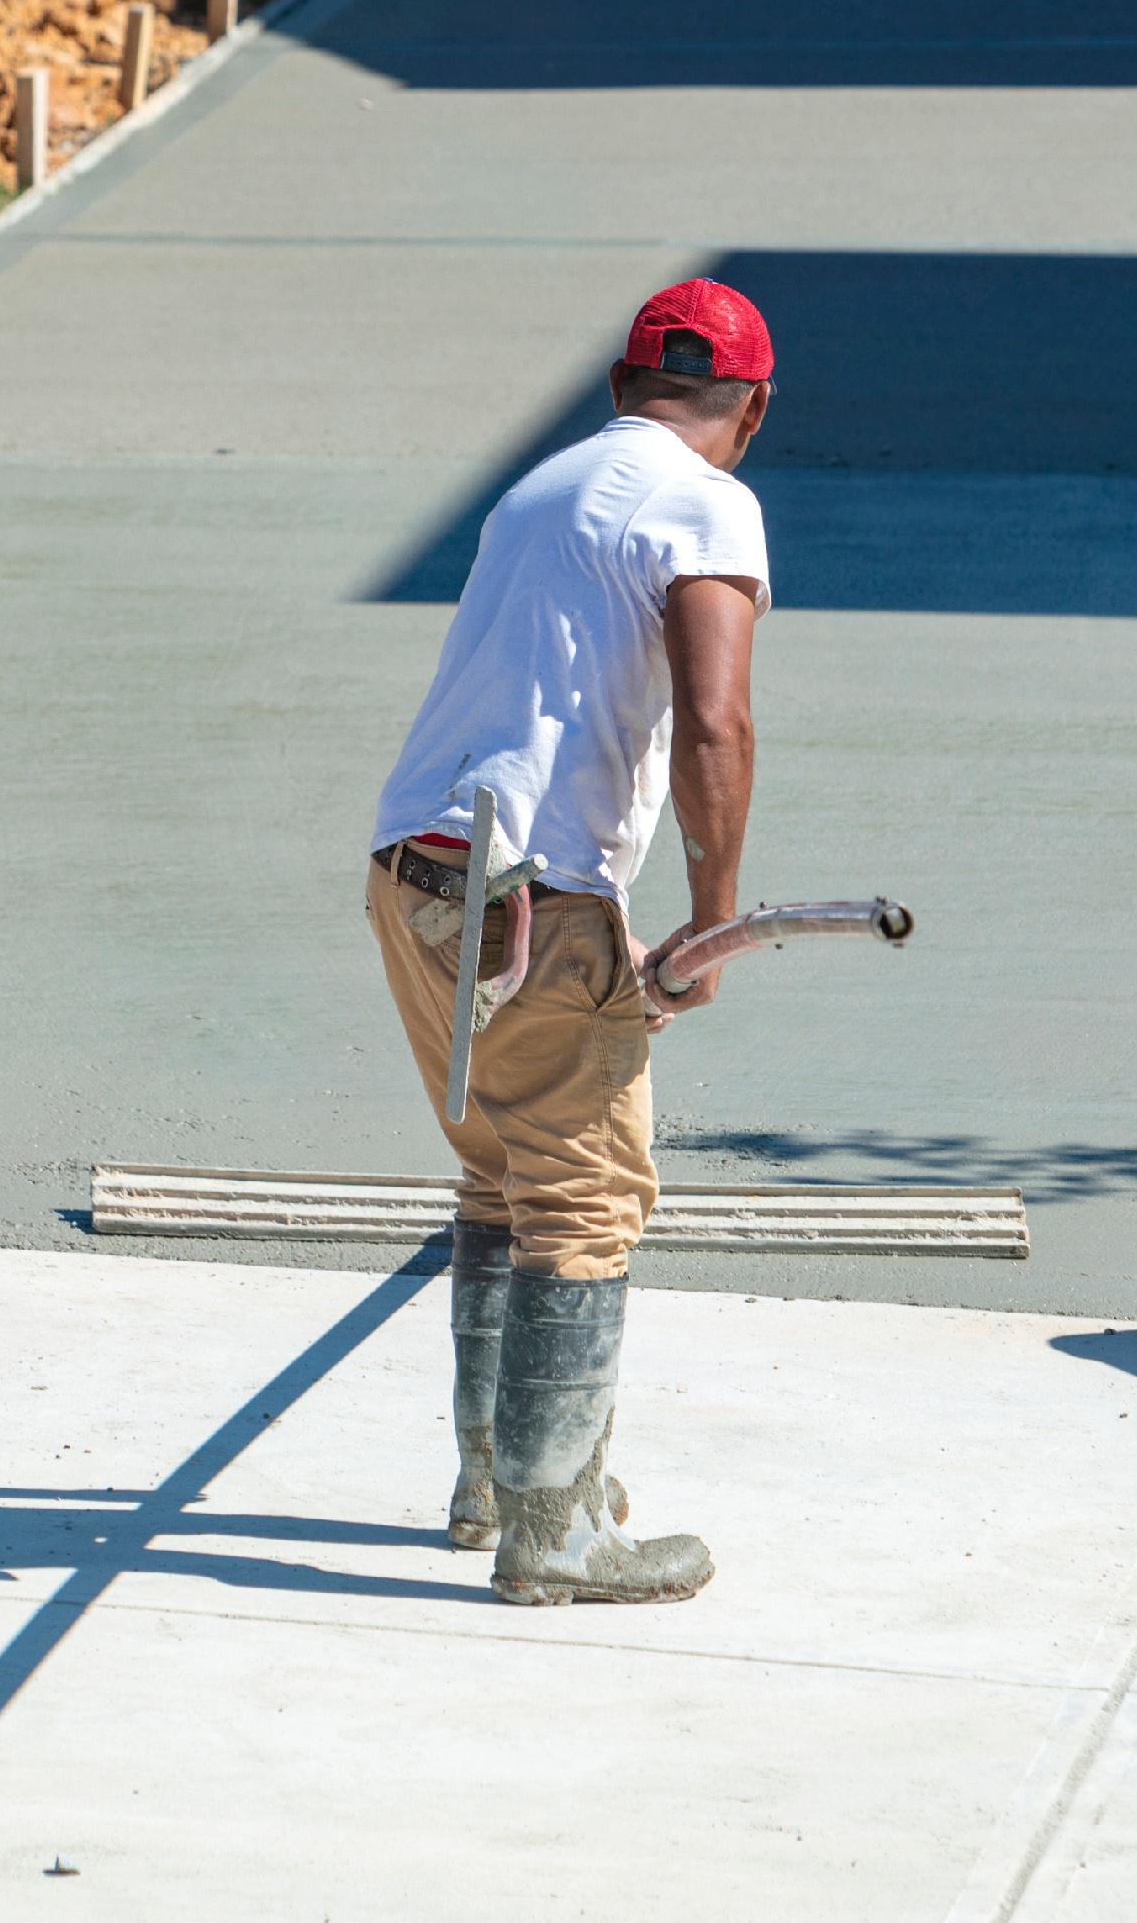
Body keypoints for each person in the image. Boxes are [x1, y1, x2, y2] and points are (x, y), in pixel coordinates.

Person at [368, 277, 774, 1606]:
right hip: (537, 893)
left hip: (415, 870)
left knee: (501, 1167)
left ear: (618, 387)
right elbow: (714, 721)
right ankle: (551, 1532)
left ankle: (493, 1478)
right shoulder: (708, 503)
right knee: (586, 1195)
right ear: (751, 410)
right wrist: (714, 919)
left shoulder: (535, 490)